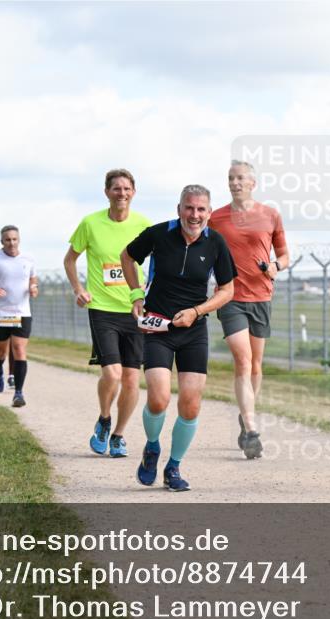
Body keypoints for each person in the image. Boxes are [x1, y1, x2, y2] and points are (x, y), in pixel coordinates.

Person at [121, 184, 236, 492]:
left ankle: (173, 467)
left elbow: (227, 290)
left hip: (193, 331)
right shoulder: (159, 234)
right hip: (158, 327)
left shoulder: (216, 243)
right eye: (189, 207)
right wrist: (135, 295)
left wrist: (197, 311)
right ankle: (152, 447)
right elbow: (127, 256)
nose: (194, 215)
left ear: (209, 213)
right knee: (158, 399)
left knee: (191, 405)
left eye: (201, 209)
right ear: (179, 209)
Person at [64, 168, 152, 457]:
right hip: (102, 309)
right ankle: (104, 418)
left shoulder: (143, 225)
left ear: (133, 193)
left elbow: (157, 261)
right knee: (112, 375)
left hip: (134, 309)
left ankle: (118, 436)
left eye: (127, 189)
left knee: (132, 379)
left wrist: (149, 289)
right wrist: (78, 289)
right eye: (116, 188)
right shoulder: (90, 223)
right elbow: (70, 259)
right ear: (107, 192)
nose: (122, 193)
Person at [208, 160, 291, 459]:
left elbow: (284, 254)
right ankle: (252, 429)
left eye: (240, 178)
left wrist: (275, 265)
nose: (235, 182)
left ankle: (246, 415)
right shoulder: (215, 218)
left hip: (261, 296)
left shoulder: (270, 215)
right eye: (231, 178)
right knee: (242, 361)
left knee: (256, 365)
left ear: (252, 183)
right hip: (230, 296)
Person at [0, 225, 38, 408]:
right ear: (2, 241)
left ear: (19, 240)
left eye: (14, 239)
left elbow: (33, 278)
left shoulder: (28, 258)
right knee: (1, 351)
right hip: (0, 313)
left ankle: (18, 393)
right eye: (7, 240)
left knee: (19, 349)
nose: (11, 243)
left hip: (22, 312)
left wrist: (33, 287)